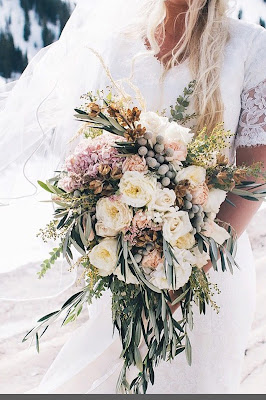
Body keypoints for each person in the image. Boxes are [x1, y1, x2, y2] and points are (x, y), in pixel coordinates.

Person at [0, 0, 265, 394]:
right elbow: (88, 148)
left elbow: (253, 177)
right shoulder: (116, 44)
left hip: (212, 276)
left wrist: (187, 272)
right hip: (124, 271)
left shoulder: (251, 47)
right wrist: (103, 232)